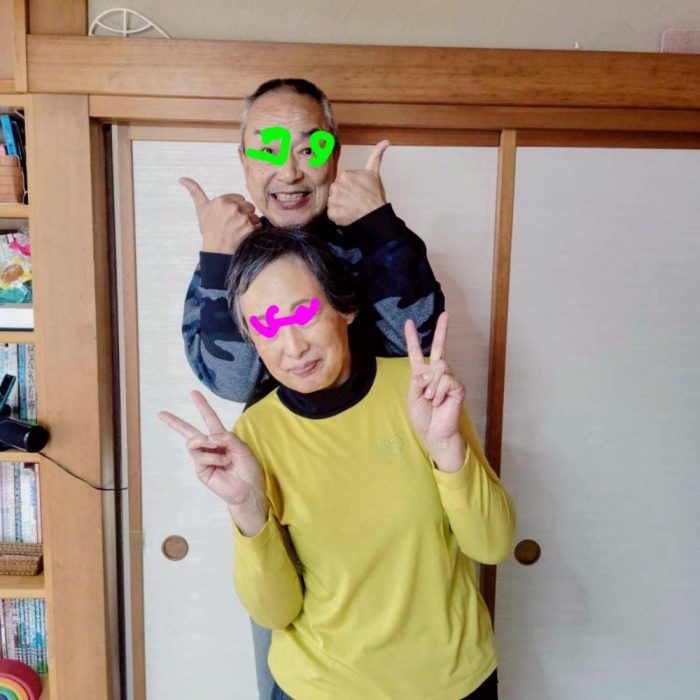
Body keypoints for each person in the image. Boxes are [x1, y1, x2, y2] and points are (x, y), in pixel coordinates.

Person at [160, 228, 516, 700]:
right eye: (266, 326)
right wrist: (247, 508)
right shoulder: (254, 435)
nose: (293, 346)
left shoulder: (420, 392)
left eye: (304, 313)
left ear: (344, 307)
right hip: (319, 687)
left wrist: (447, 448)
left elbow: (492, 544)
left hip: (453, 682)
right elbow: (274, 612)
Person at [179, 77, 447, 697]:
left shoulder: (370, 235)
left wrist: (379, 229)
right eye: (268, 148)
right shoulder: (229, 253)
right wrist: (217, 260)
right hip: (284, 488)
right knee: (289, 651)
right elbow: (232, 379)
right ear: (244, 160)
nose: (290, 170)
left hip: (391, 484)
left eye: (309, 146)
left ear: (335, 153)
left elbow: (425, 343)